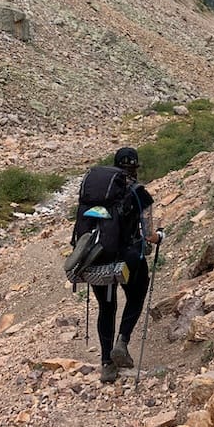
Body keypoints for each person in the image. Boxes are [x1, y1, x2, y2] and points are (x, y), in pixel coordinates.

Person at [90, 147, 161, 383]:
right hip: (128, 258)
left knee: (106, 307)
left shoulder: (98, 191)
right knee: (137, 293)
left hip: (98, 256)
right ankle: (122, 340)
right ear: (135, 168)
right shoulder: (139, 193)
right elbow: (149, 234)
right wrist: (160, 237)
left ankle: (106, 364)